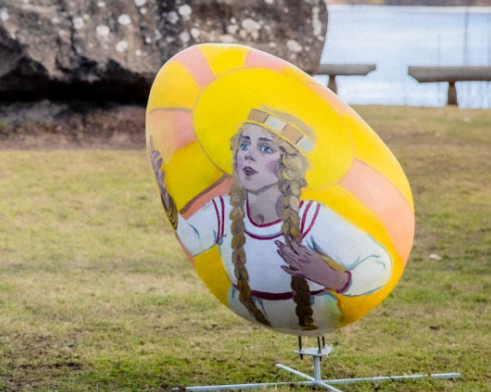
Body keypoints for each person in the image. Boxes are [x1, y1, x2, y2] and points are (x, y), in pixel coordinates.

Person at [153, 107, 392, 334]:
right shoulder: (224, 210)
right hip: (249, 310)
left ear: (289, 164)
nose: (249, 154)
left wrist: (333, 277)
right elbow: (193, 241)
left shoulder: (312, 218)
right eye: (244, 145)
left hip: (317, 315)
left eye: (265, 148)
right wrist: (167, 194)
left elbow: (380, 264)